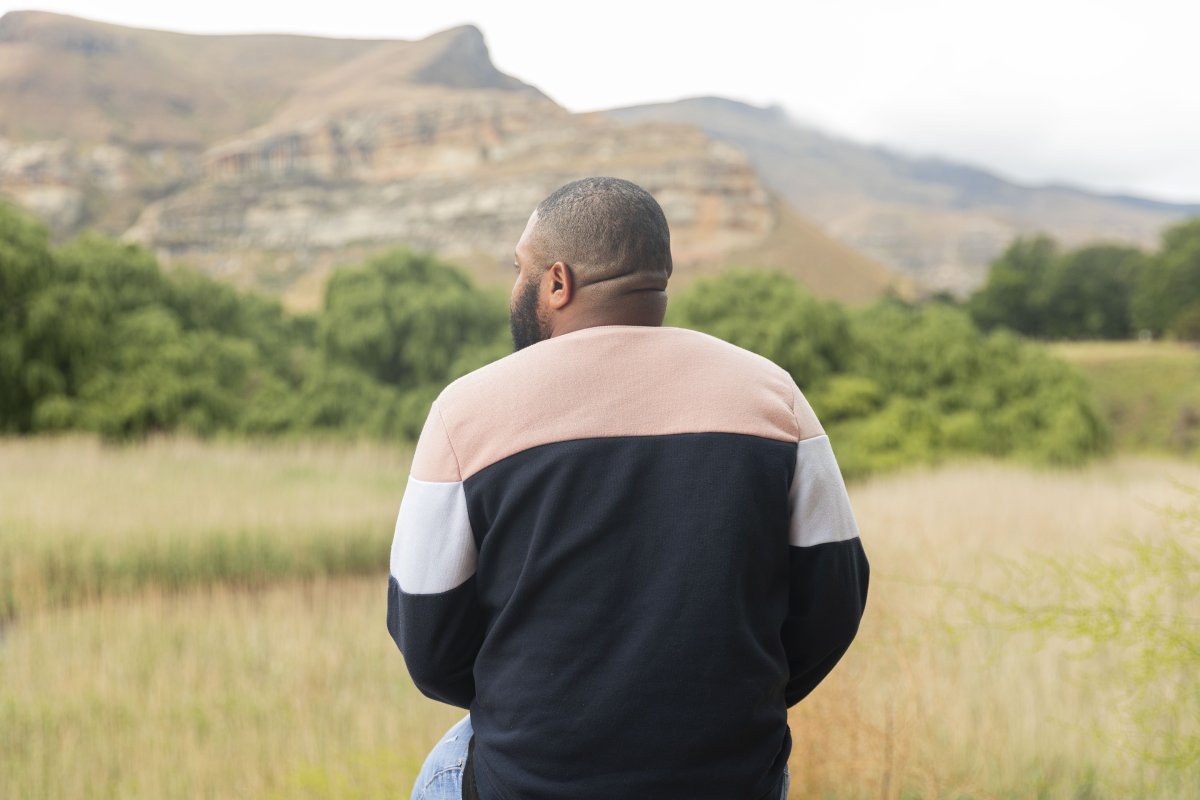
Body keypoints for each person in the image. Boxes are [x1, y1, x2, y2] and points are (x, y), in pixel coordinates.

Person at [387, 176, 869, 800]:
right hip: (730, 778)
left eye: (520, 270)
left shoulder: (466, 412)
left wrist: (532, 711)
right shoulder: (774, 397)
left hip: (530, 780)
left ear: (557, 282)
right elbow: (835, 604)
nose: (516, 288)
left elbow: (427, 642)